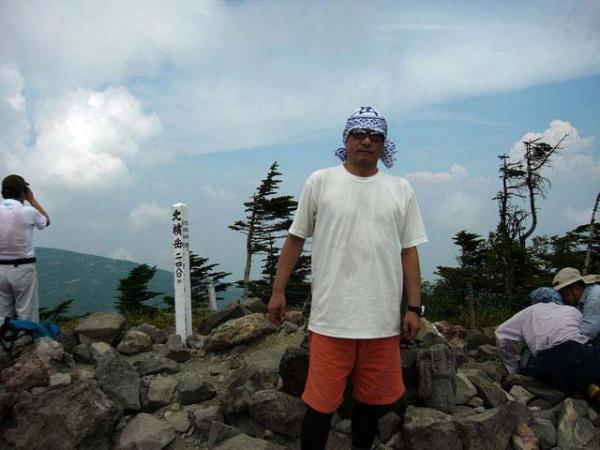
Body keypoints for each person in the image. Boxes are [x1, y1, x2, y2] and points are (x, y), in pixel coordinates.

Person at [267, 106, 428, 450]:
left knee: (371, 404)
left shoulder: (401, 189)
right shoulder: (321, 181)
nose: (366, 141)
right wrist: (278, 290)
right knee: (320, 404)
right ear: (346, 139)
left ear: (384, 144)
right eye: (359, 134)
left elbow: (409, 252)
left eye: (375, 135)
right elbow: (295, 239)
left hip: (382, 321)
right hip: (331, 319)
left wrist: (414, 308)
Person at [495, 301, 600, 394]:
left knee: (562, 376)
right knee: (588, 371)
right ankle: (590, 386)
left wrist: (513, 369)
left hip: (553, 359)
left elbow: (502, 334)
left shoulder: (531, 311)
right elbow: (588, 331)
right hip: (585, 353)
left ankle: (586, 388)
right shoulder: (572, 310)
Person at [0, 175, 50, 322]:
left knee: (2, 315)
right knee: (27, 313)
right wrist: (32, 200)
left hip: (0, 268)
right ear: (23, 192)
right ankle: (26, 336)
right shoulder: (29, 211)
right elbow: (46, 221)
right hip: (23, 268)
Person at [553, 267, 600, 344]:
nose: (563, 299)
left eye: (563, 294)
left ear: (575, 289)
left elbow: (588, 331)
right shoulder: (581, 300)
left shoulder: (594, 297)